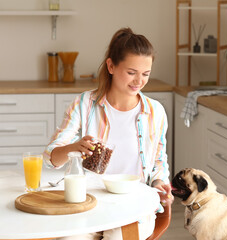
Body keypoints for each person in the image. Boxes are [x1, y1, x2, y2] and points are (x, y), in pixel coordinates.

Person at [44, 27, 173, 240]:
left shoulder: (155, 112)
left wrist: (160, 184)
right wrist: (73, 149)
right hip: (87, 205)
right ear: (111, 66)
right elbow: (50, 159)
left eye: (146, 74)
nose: (139, 81)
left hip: (133, 209)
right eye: (131, 72)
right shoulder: (84, 104)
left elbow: (159, 164)